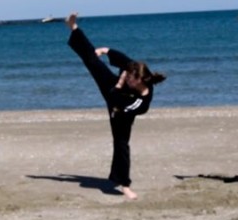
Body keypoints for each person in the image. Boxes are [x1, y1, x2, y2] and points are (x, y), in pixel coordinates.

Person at [65, 12, 166, 200]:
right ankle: (73, 27)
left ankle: (124, 185)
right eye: (127, 75)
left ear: (139, 81)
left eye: (130, 79)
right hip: (114, 88)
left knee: (121, 144)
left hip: (120, 107)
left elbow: (120, 105)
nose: (127, 78)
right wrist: (106, 50)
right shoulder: (134, 70)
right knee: (92, 61)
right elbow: (124, 60)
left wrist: (120, 85)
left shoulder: (142, 101)